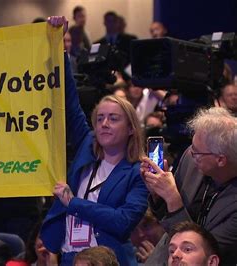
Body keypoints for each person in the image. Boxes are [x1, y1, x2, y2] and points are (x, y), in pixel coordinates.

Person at [40, 16, 148, 266]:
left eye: (113, 118)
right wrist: (60, 50)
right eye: (99, 119)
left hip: (107, 261)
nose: (104, 124)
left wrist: (74, 203)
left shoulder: (138, 171)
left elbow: (122, 221)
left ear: (131, 128)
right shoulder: (87, 145)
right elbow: (69, 102)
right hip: (70, 257)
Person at [141, 107, 237, 265]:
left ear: (221, 160)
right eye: (192, 147)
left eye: (197, 152)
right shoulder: (191, 158)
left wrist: (173, 200)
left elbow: (204, 253)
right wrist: (159, 194)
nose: (192, 154)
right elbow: (165, 217)